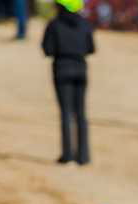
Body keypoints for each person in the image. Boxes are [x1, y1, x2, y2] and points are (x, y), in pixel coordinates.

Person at [41, 0, 95, 165]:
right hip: (80, 70)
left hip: (61, 70)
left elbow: (47, 49)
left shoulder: (54, 24)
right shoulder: (85, 23)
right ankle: (83, 156)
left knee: (66, 113)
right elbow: (91, 48)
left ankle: (67, 154)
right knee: (81, 113)